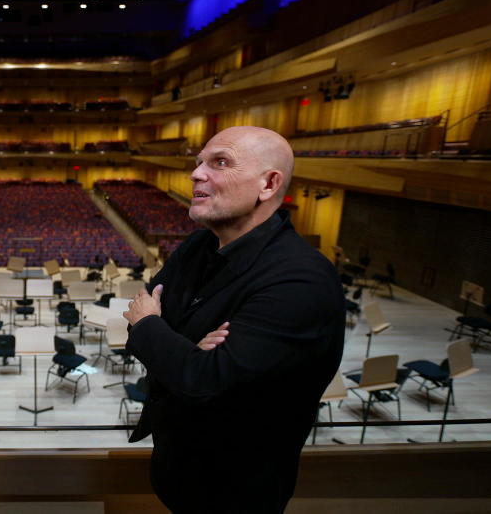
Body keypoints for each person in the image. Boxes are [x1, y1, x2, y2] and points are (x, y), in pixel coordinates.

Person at [123, 126, 344, 513]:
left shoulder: (300, 281)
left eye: (219, 162)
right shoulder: (198, 245)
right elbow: (140, 314)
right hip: (174, 469)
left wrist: (157, 331)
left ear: (269, 184)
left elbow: (198, 378)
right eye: (198, 163)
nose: (195, 174)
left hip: (236, 492)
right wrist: (187, 350)